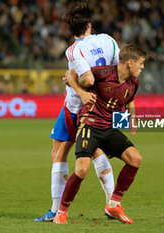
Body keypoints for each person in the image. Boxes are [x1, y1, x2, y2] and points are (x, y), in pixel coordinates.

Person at [34, 1, 120, 222]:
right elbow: (117, 72)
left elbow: (87, 79)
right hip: (101, 107)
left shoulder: (74, 49)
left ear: (70, 31)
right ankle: (112, 203)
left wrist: (72, 81)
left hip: (76, 107)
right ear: (89, 25)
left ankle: (55, 210)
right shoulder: (108, 40)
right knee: (95, 151)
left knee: (58, 152)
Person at [53, 44, 146, 224]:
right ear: (130, 63)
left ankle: (113, 204)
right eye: (141, 63)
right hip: (89, 124)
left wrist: (132, 118)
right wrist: (81, 93)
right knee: (82, 169)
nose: (142, 67)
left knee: (135, 159)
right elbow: (71, 73)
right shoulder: (102, 73)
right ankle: (61, 213)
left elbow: (131, 98)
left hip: (108, 128)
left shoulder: (133, 83)